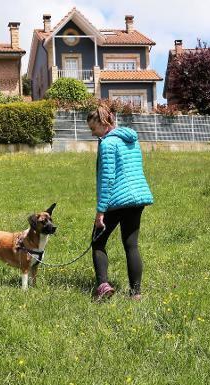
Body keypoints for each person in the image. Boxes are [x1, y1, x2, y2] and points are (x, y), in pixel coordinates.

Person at [86, 105, 154, 301]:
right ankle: (136, 293)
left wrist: (100, 212)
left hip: (117, 199)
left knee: (97, 242)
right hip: (137, 198)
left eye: (93, 128)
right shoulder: (131, 139)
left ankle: (103, 286)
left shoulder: (107, 144)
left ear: (103, 123)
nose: (92, 133)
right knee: (131, 245)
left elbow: (107, 179)